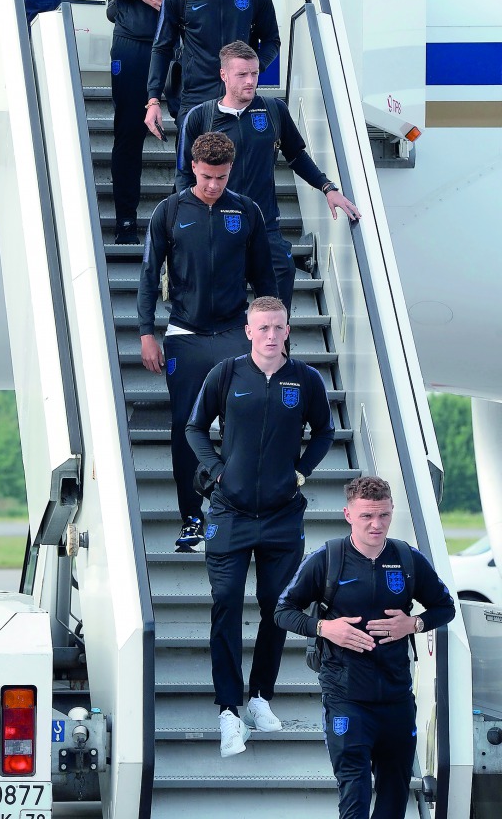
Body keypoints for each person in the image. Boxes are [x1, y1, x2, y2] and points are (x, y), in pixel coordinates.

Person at [186, 295, 335, 757]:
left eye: (278, 327)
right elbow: (194, 427)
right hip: (229, 513)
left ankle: (259, 698)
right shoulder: (227, 374)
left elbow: (326, 432)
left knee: (278, 606)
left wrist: (301, 471)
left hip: (281, 514)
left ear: (288, 330)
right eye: (262, 328)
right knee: (226, 601)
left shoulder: (306, 380)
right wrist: (215, 471)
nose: (271, 336)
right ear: (248, 331)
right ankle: (229, 710)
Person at [275, 476, 456, 818]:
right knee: (355, 791)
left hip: (396, 697)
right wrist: (324, 628)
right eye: (367, 516)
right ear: (348, 515)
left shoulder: (407, 558)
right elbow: (282, 611)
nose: (376, 525)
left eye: (384, 515)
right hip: (346, 696)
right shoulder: (326, 558)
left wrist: (413, 623)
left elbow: (445, 607)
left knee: (394, 793)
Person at [137, 132, 276, 551]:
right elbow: (148, 275)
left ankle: (235, 513)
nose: (213, 184)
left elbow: (265, 279)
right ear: (193, 168)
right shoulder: (170, 211)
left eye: (220, 176)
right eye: (206, 176)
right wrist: (146, 332)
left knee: (242, 424)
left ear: (229, 171)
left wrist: (273, 333)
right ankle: (192, 518)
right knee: (186, 427)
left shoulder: (246, 211)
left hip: (235, 334)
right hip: (186, 336)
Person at [177, 40, 361, 313]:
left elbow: (297, 156)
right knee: (223, 312)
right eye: (242, 75)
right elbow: (184, 176)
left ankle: (279, 352)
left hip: (265, 227)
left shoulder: (274, 110)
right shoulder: (200, 118)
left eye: (255, 73)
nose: (250, 81)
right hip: (217, 226)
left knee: (277, 305)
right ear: (224, 75)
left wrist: (327, 187)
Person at [85, 0, 202, 245]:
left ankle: (188, 221)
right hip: (133, 42)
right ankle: (126, 223)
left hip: (179, 46)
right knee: (129, 131)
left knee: (193, 131)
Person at [145, 0, 280, 133]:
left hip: (239, 100)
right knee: (191, 167)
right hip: (194, 98)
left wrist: (251, 70)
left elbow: (272, 41)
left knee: (237, 167)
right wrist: (153, 100)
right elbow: (161, 47)